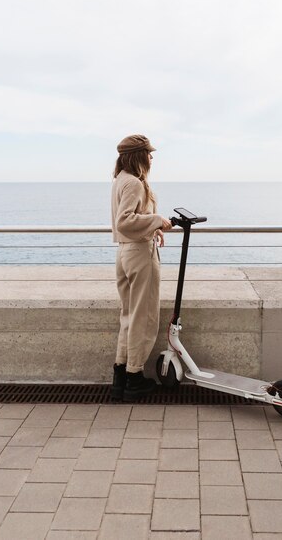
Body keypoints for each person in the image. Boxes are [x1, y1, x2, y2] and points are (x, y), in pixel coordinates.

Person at [111, 134, 172, 400]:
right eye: (148, 153)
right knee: (144, 318)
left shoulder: (121, 180)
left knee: (128, 316)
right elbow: (125, 221)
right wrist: (157, 220)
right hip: (139, 254)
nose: (151, 157)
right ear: (138, 155)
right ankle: (135, 378)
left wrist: (151, 227)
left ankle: (121, 375)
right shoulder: (135, 183)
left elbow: (127, 220)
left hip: (125, 252)